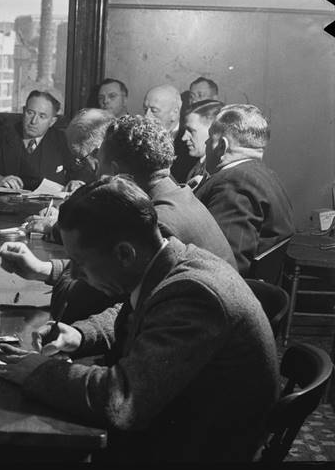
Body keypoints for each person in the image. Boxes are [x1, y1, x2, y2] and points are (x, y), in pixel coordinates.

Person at [0, 176, 280, 463]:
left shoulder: (194, 294)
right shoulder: (171, 260)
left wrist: (39, 371)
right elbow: (134, 310)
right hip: (183, 423)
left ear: (125, 253)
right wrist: (82, 335)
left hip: (195, 453)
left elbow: (121, 400)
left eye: (80, 263)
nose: (75, 274)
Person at [18, 114, 237, 322]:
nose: (96, 174)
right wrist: (46, 270)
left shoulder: (154, 224)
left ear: (117, 175)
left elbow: (74, 305)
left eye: (99, 161)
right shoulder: (177, 195)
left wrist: (65, 273)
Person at [195, 104, 295, 275]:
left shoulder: (233, 183)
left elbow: (224, 264)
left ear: (222, 146)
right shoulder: (264, 175)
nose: (205, 142)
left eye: (210, 137)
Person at [0, 90, 73, 189]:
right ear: (23, 111)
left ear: (52, 121)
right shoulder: (1, 135)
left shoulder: (61, 140)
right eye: (30, 113)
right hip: (5, 206)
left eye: (42, 116)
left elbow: (80, 171)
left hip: (48, 207)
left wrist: (77, 182)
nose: (33, 121)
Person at [143, 84, 196, 184]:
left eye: (154, 111)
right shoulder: (140, 139)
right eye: (145, 110)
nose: (146, 116)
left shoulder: (191, 144)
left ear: (174, 113)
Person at [177, 99, 224, 187]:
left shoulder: (217, 172)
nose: (184, 138)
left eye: (191, 131)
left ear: (214, 132)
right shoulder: (199, 164)